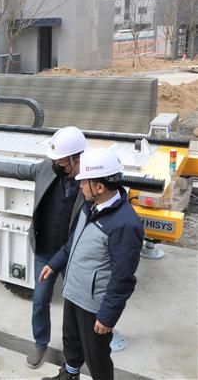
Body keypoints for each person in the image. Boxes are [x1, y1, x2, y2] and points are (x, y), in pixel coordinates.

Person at [0, 126, 87, 369]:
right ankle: (40, 343)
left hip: (73, 253)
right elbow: (18, 170)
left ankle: (78, 348)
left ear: (76, 160)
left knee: (77, 304)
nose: (55, 165)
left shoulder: (90, 182)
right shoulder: (46, 168)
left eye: (61, 162)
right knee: (40, 300)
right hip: (45, 250)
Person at [40, 148, 144, 380]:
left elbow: (123, 278)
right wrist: (54, 263)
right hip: (74, 291)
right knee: (71, 341)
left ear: (99, 187)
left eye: (83, 182)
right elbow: (73, 243)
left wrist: (107, 315)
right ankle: (70, 375)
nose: (80, 186)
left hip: (94, 304)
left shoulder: (125, 225)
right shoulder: (89, 206)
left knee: (96, 355)